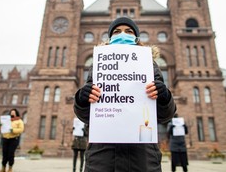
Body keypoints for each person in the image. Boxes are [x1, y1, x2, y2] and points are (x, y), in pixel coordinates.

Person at [74, 16, 176, 171]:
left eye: (128, 31)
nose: (123, 34)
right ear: (110, 38)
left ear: (135, 38)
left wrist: (164, 97)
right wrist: (82, 100)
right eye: (117, 31)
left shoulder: (149, 64)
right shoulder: (99, 64)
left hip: (142, 159)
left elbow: (164, 116)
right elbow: (87, 117)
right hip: (102, 159)